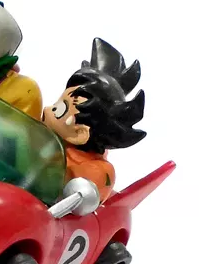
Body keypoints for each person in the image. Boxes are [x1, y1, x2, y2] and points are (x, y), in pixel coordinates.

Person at [42, 38, 147, 202]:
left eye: (60, 109)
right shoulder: (45, 134)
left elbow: (72, 198)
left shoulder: (94, 170)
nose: (47, 110)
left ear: (79, 133)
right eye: (57, 103)